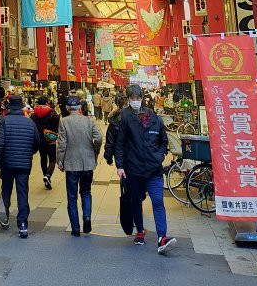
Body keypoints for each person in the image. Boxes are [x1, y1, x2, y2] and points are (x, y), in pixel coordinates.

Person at [115, 84, 176, 254]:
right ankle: (140, 231)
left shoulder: (154, 118)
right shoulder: (125, 117)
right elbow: (120, 143)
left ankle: (162, 238)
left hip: (154, 170)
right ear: (128, 99)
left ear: (142, 99)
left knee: (158, 202)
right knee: (136, 201)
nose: (135, 101)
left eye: (138, 98)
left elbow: (163, 142)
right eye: (132, 98)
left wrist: (160, 156)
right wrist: (119, 165)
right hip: (133, 170)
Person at [0, 94, 40, 238]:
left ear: (9, 106)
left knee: (6, 189)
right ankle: (23, 224)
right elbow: (36, 142)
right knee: (22, 192)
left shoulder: (3, 121)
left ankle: (4, 217)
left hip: (7, 163)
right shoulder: (30, 123)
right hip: (24, 164)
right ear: (22, 106)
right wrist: (29, 153)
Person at [57, 96, 102, 237]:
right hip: (87, 163)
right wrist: (95, 150)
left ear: (67, 108)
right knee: (86, 192)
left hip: (71, 164)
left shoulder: (64, 122)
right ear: (80, 108)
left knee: (72, 196)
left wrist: (60, 160)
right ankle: (87, 217)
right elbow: (99, 138)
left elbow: (62, 144)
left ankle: (75, 229)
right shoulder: (89, 121)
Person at [31, 95, 60, 190]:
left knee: (43, 158)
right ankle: (48, 176)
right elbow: (58, 124)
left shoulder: (33, 114)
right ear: (47, 103)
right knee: (52, 159)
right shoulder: (52, 113)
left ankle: (45, 176)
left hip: (40, 139)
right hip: (50, 139)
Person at [103, 94, 127, 166]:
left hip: (119, 154)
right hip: (129, 154)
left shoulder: (114, 119)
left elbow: (110, 142)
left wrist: (109, 157)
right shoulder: (131, 117)